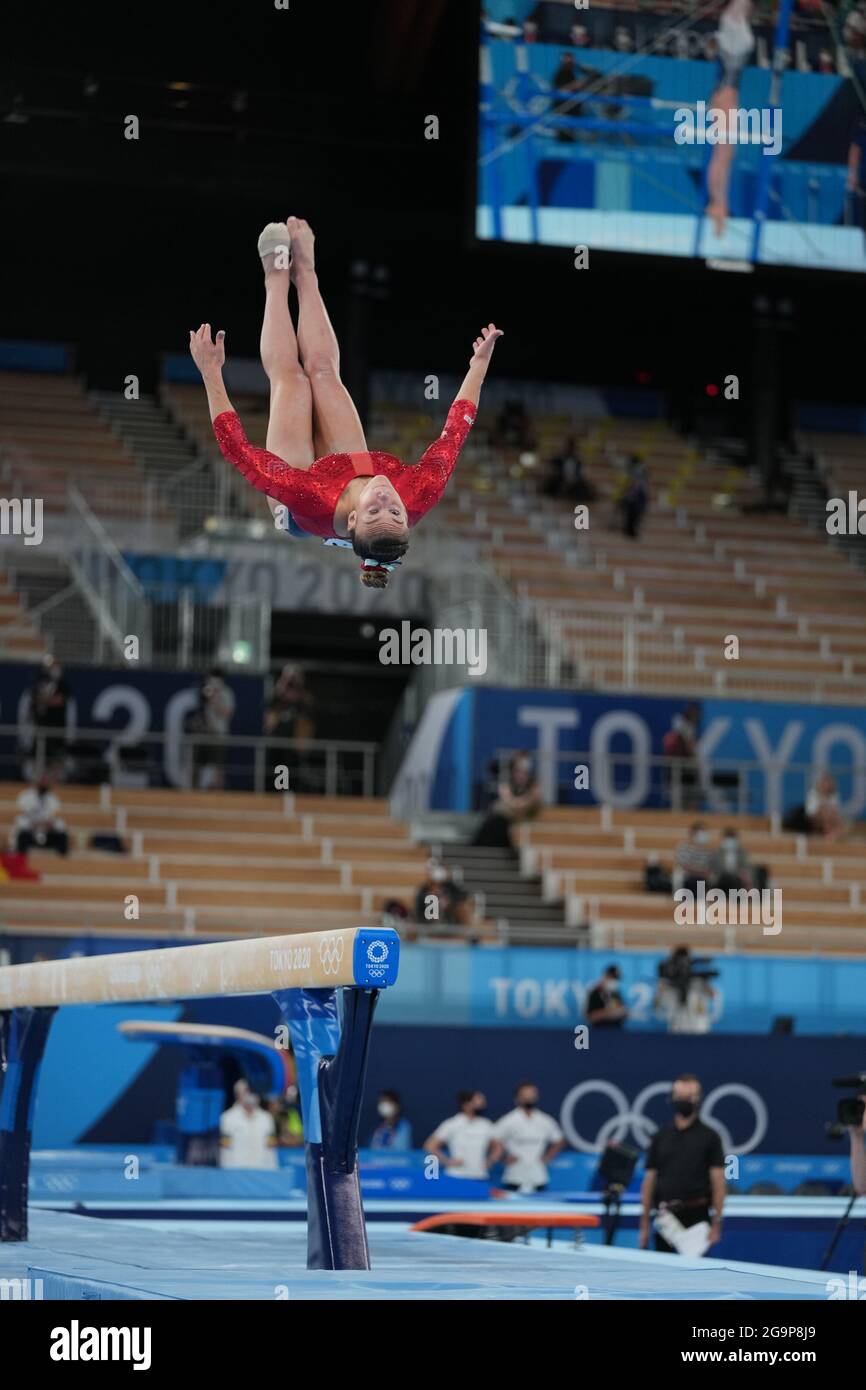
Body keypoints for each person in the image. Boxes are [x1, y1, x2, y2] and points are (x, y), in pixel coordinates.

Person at [190, 217, 502, 591]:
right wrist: (478, 367)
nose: (387, 497)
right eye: (395, 511)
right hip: (349, 472)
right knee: (322, 372)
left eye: (376, 510)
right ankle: (306, 271)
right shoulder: (420, 491)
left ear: (353, 520)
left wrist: (211, 373)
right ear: (408, 516)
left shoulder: (307, 498)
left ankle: (274, 278)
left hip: (302, 507)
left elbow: (237, 450)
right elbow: (456, 430)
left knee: (292, 380)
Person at [639, 1074, 726, 1254]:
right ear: (672, 1098)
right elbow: (649, 1181)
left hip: (697, 1219)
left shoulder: (710, 1137)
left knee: (695, 1277)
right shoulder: (660, 1136)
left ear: (698, 1099)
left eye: (689, 1097)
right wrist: (645, 1223)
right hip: (665, 1219)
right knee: (663, 1276)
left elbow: (718, 1183)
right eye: (679, 1097)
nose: (684, 1101)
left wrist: (717, 1222)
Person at [705, 0, 756, 235]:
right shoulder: (731, 21)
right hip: (726, 95)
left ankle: (717, 204)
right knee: (723, 154)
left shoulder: (736, 23)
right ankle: (718, 205)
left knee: (725, 154)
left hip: (725, 93)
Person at [493, 1082, 566, 1193]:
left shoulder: (545, 1120)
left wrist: (547, 1157)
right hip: (514, 1176)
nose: (529, 1098)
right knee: (512, 1210)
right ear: (517, 1098)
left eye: (532, 1095)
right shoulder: (508, 1120)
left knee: (540, 1209)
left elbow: (559, 1140)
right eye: (525, 1095)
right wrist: (503, 1157)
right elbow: (494, 1139)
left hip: (538, 1176)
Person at [472, 750, 541, 851]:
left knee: (500, 820)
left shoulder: (533, 784)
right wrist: (517, 803)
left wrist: (520, 803)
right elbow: (506, 797)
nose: (520, 775)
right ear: (513, 771)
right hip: (504, 817)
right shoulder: (507, 781)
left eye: (524, 772)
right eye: (518, 771)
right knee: (495, 818)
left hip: (520, 816)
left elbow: (533, 800)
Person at [424, 1090, 499, 1180]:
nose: (482, 1103)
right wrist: (447, 1161)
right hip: (456, 1176)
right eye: (478, 1100)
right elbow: (430, 1146)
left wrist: (490, 1161)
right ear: (465, 1104)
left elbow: (498, 1146)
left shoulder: (486, 1124)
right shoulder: (452, 1124)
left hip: (480, 1176)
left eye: (483, 1101)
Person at [193, 667, 236, 790]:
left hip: (219, 734)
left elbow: (228, 712)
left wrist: (215, 700)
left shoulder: (227, 693)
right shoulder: (206, 690)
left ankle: (218, 791)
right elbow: (201, 708)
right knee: (198, 764)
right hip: (205, 733)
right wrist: (207, 696)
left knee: (218, 766)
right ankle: (194, 791)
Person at [219, 1085, 279, 1170]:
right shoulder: (227, 1118)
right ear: (238, 1095)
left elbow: (271, 1150)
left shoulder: (267, 1118)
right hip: (237, 1172)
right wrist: (228, 1174)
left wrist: (273, 1171)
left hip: (261, 1171)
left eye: (253, 1091)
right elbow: (225, 1152)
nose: (251, 1094)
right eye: (247, 1091)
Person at [28, 654, 71, 765]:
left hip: (56, 725)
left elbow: (60, 700)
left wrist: (44, 700)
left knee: (55, 754)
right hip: (41, 724)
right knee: (38, 752)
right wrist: (48, 700)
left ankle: (54, 777)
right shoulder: (39, 681)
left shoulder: (61, 683)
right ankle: (38, 777)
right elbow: (34, 699)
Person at [13, 775, 69, 856]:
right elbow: (21, 815)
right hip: (31, 830)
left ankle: (62, 863)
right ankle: (20, 860)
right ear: (37, 782)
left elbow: (57, 817)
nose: (44, 784)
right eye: (42, 782)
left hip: (47, 831)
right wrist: (33, 824)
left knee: (62, 836)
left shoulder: (53, 798)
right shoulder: (26, 796)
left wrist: (50, 825)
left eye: (46, 782)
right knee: (22, 836)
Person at [414, 859, 472, 928]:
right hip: (429, 921)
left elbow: (463, 895)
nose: (436, 886)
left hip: (449, 917)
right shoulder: (423, 890)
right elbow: (419, 908)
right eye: (434, 883)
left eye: (439, 883)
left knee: (462, 906)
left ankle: (466, 931)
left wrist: (450, 902)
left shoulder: (450, 886)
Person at [672, 822, 713, 895]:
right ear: (693, 833)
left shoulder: (708, 852)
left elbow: (708, 869)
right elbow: (684, 866)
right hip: (687, 878)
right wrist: (698, 872)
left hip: (701, 880)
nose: (704, 834)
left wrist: (701, 872)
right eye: (702, 831)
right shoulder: (683, 847)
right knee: (683, 877)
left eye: (705, 831)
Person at [806, 772, 847, 841]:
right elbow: (810, 811)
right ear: (820, 783)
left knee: (835, 816)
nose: (826, 785)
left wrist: (831, 812)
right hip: (814, 817)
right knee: (825, 811)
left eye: (828, 783)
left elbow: (835, 810)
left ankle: (834, 834)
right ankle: (827, 833)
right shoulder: (813, 793)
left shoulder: (834, 794)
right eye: (824, 783)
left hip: (829, 816)